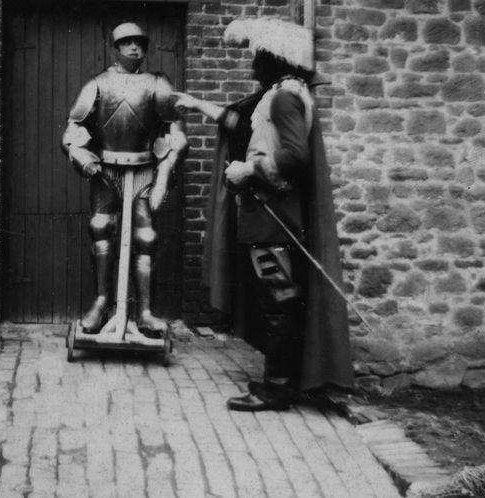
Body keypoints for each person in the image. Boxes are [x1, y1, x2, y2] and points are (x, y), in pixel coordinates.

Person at [174, 18, 354, 411]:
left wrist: (248, 170)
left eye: (258, 58)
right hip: (270, 216)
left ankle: (276, 390)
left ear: (276, 60)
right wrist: (199, 105)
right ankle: (281, 382)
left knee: (279, 302)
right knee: (278, 300)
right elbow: (241, 125)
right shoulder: (281, 94)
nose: (253, 66)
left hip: (273, 218)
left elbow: (295, 156)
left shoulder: (284, 98)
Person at [62, 22, 187, 337]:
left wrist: (164, 175)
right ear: (116, 48)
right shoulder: (98, 84)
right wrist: (82, 156)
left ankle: (144, 311)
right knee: (101, 229)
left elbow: (176, 134)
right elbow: (74, 129)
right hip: (106, 170)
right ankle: (102, 301)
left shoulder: (157, 83)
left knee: (146, 238)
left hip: (144, 169)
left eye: (139, 43)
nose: (134, 48)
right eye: (127, 43)